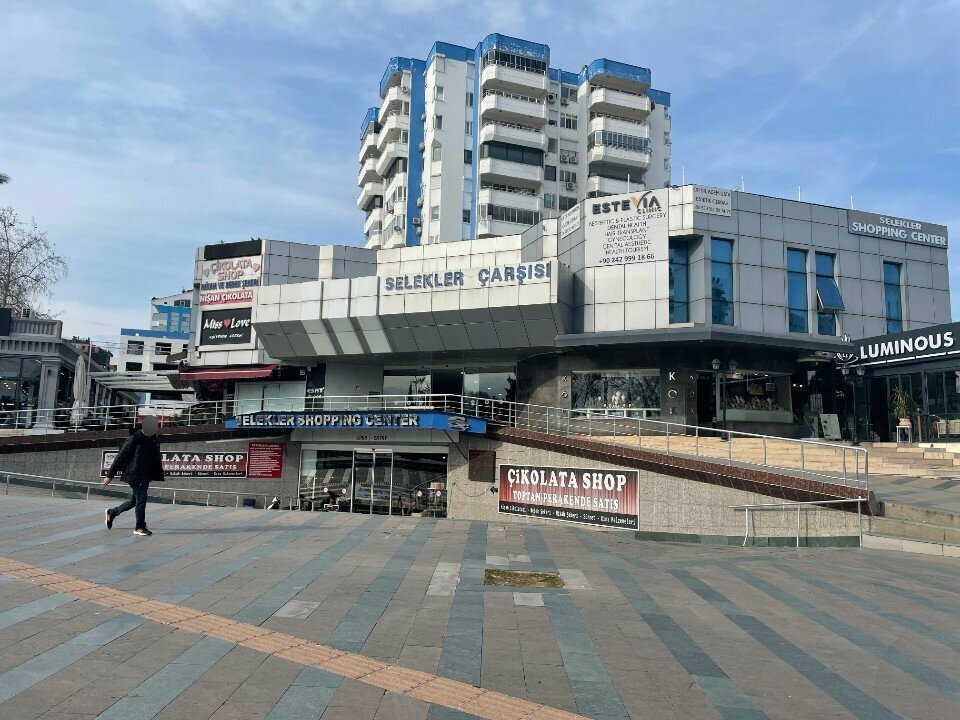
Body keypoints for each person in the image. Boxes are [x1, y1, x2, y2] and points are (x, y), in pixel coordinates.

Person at [102, 415, 164, 536]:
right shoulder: (135, 438)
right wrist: (110, 475)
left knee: (135, 500)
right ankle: (139, 527)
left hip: (146, 474)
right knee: (141, 500)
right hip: (135, 473)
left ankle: (112, 512)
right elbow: (120, 456)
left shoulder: (153, 439)